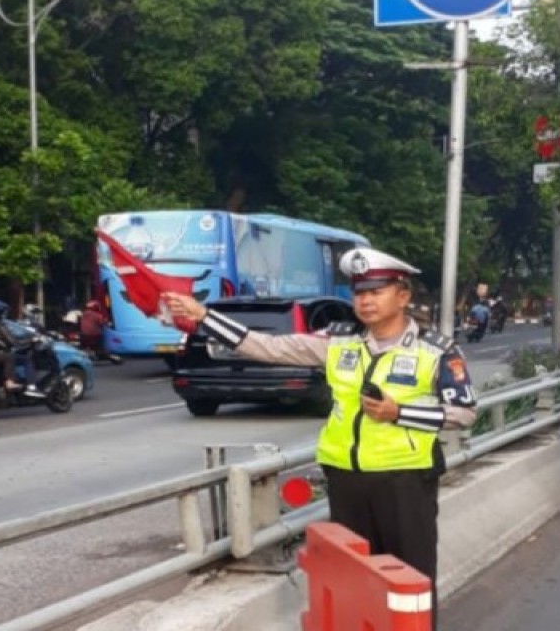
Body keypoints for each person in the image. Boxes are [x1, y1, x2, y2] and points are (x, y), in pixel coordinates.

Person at [163, 248, 476, 629]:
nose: (365, 300)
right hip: (346, 480)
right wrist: (204, 317)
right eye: (359, 293)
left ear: (403, 296)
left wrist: (401, 413)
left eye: (376, 291)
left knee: (410, 579)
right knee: (354, 577)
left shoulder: (436, 350)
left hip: (405, 481)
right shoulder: (338, 342)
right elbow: (268, 347)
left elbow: (463, 413)